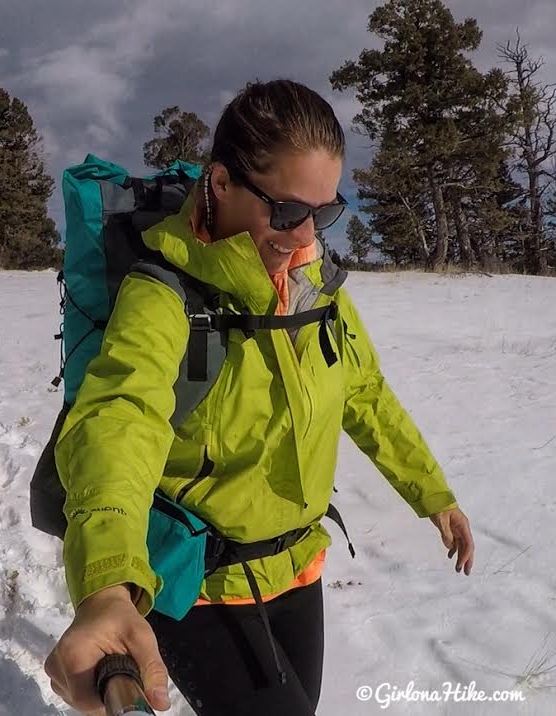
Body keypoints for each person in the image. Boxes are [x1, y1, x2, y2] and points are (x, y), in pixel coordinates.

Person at [43, 79, 475, 716]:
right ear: (220, 185)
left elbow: (364, 392)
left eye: (323, 214)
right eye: (286, 211)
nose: (304, 237)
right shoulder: (166, 295)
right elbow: (118, 418)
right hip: (202, 581)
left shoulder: (315, 289)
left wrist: (431, 493)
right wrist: (107, 582)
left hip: (298, 563)